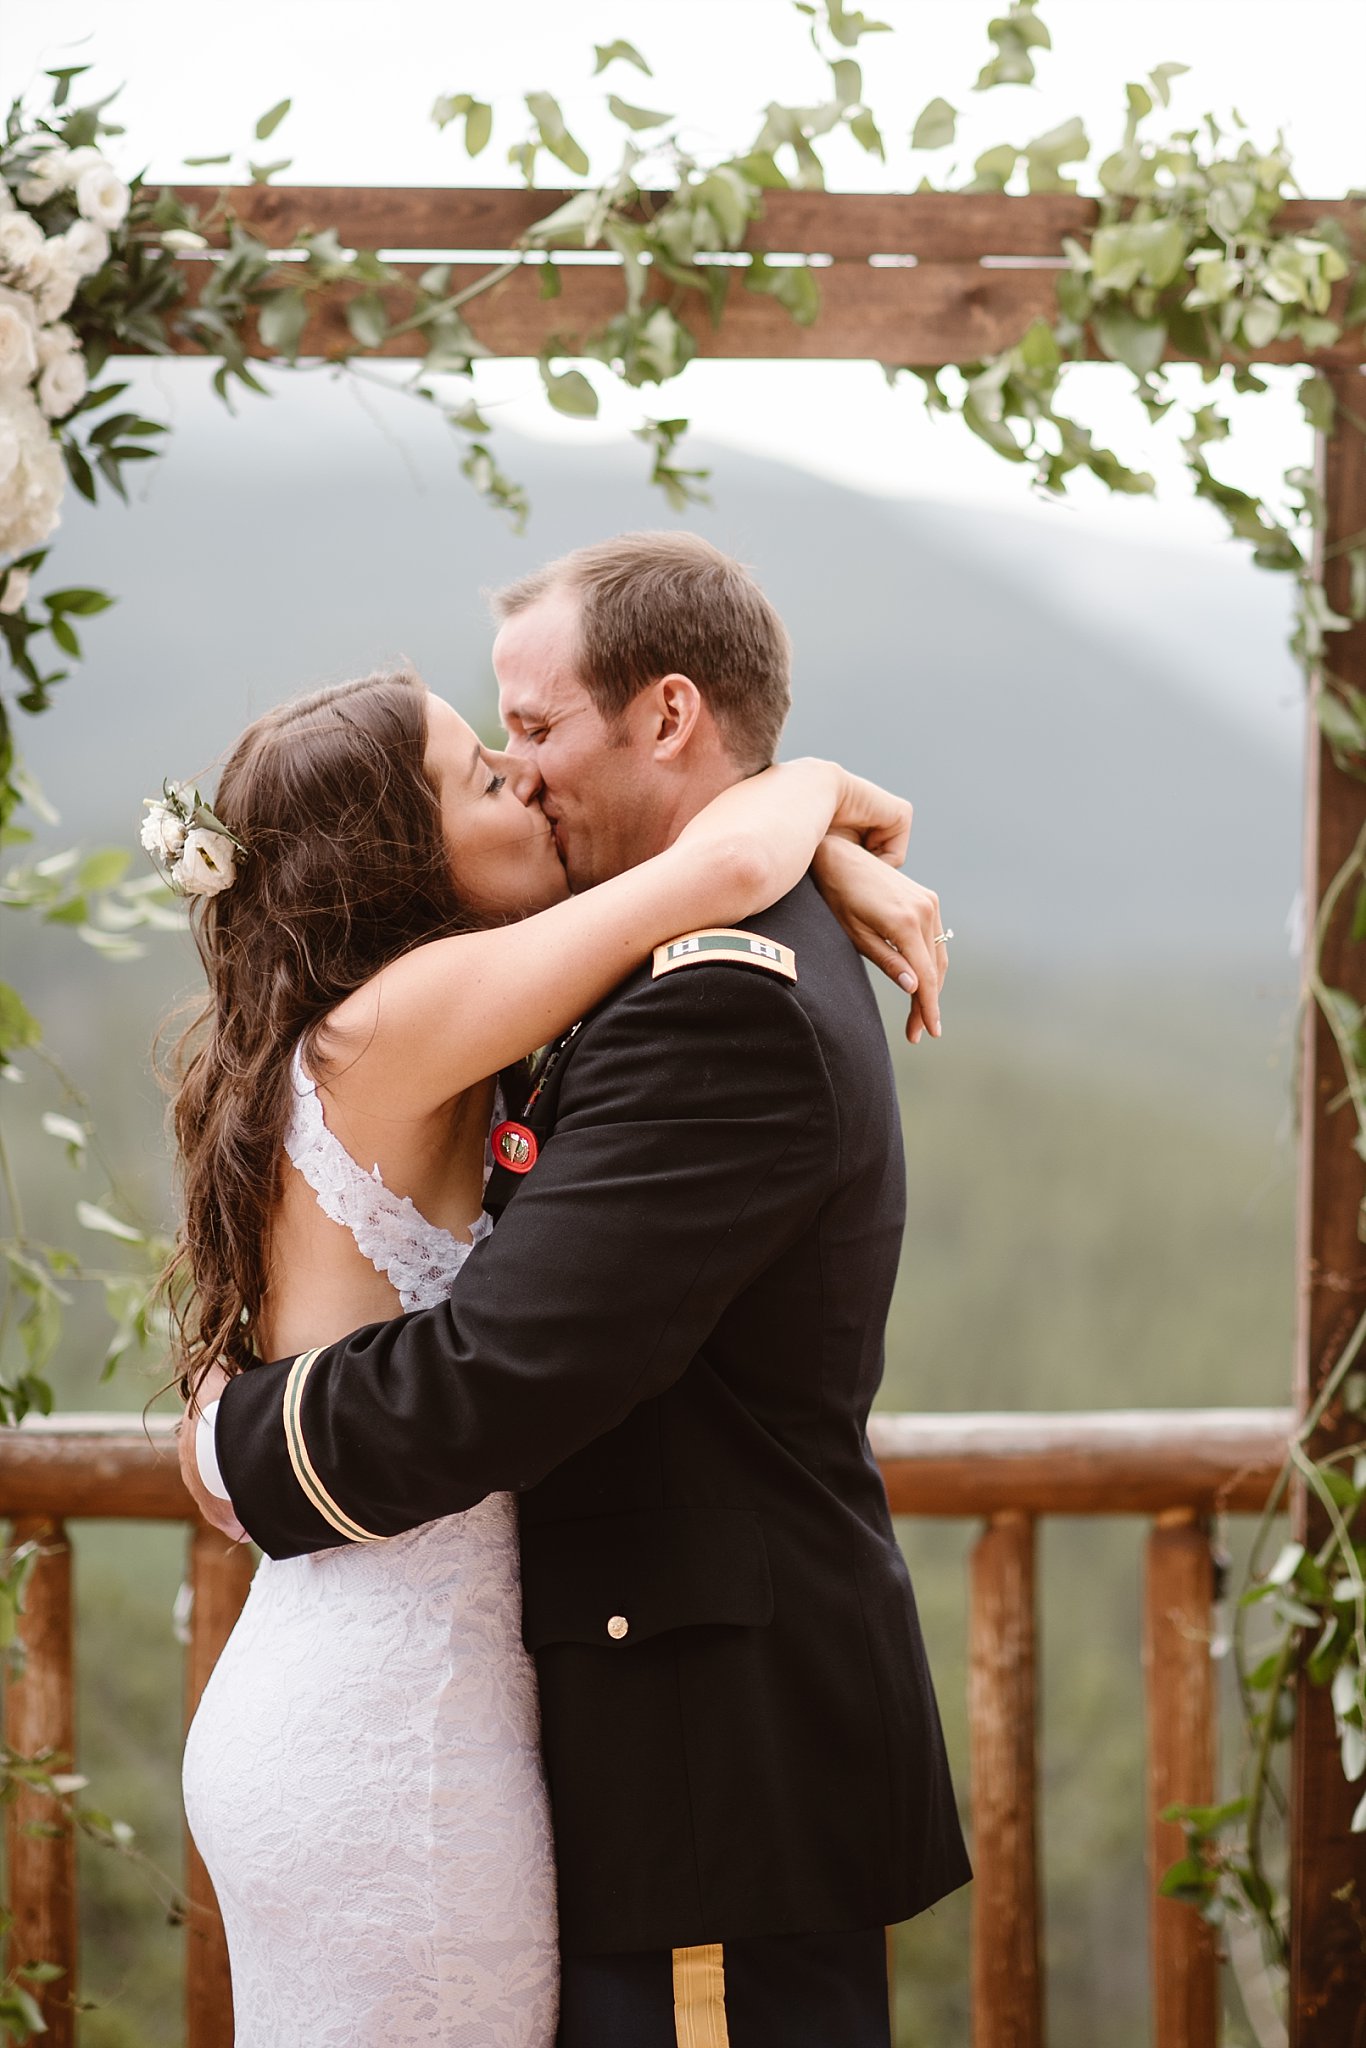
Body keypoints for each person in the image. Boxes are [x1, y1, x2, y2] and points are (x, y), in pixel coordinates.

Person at [172, 543, 957, 2048]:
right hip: (467, 1727)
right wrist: (817, 810)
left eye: (529, 736)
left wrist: (237, 1446)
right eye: (492, 759)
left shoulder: (713, 998)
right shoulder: (585, 978)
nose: (523, 779)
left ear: (665, 718)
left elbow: (492, 1373)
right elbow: (713, 867)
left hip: (702, 1773)